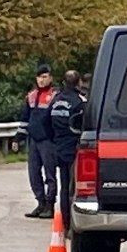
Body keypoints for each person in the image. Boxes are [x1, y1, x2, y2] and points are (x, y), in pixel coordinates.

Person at [13, 65, 59, 218]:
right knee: (33, 173)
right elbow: (25, 119)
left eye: (45, 77)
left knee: (50, 174)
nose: (42, 80)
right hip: (33, 140)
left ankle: (49, 204)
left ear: (50, 78)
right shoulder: (31, 96)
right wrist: (17, 138)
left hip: (48, 141)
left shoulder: (55, 96)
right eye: (39, 77)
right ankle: (40, 202)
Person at [49, 70, 87, 228]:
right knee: (73, 188)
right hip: (73, 148)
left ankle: (64, 223)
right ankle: (71, 224)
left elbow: (46, 122)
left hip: (58, 147)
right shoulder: (79, 101)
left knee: (64, 187)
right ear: (78, 83)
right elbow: (84, 125)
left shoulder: (56, 100)